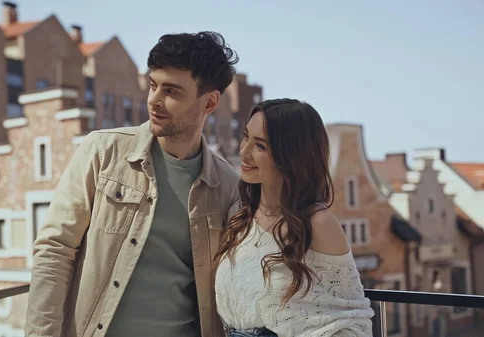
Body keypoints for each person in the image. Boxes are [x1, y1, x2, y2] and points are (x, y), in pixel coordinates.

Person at [25, 31, 241, 337]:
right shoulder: (102, 152)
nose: (155, 100)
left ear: (210, 102)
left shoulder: (229, 187)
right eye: (153, 85)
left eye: (172, 91)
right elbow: (55, 249)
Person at [213, 99, 375, 337]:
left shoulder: (319, 224)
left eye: (260, 146)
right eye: (246, 137)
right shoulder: (239, 217)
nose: (244, 151)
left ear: (290, 156)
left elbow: (354, 319)